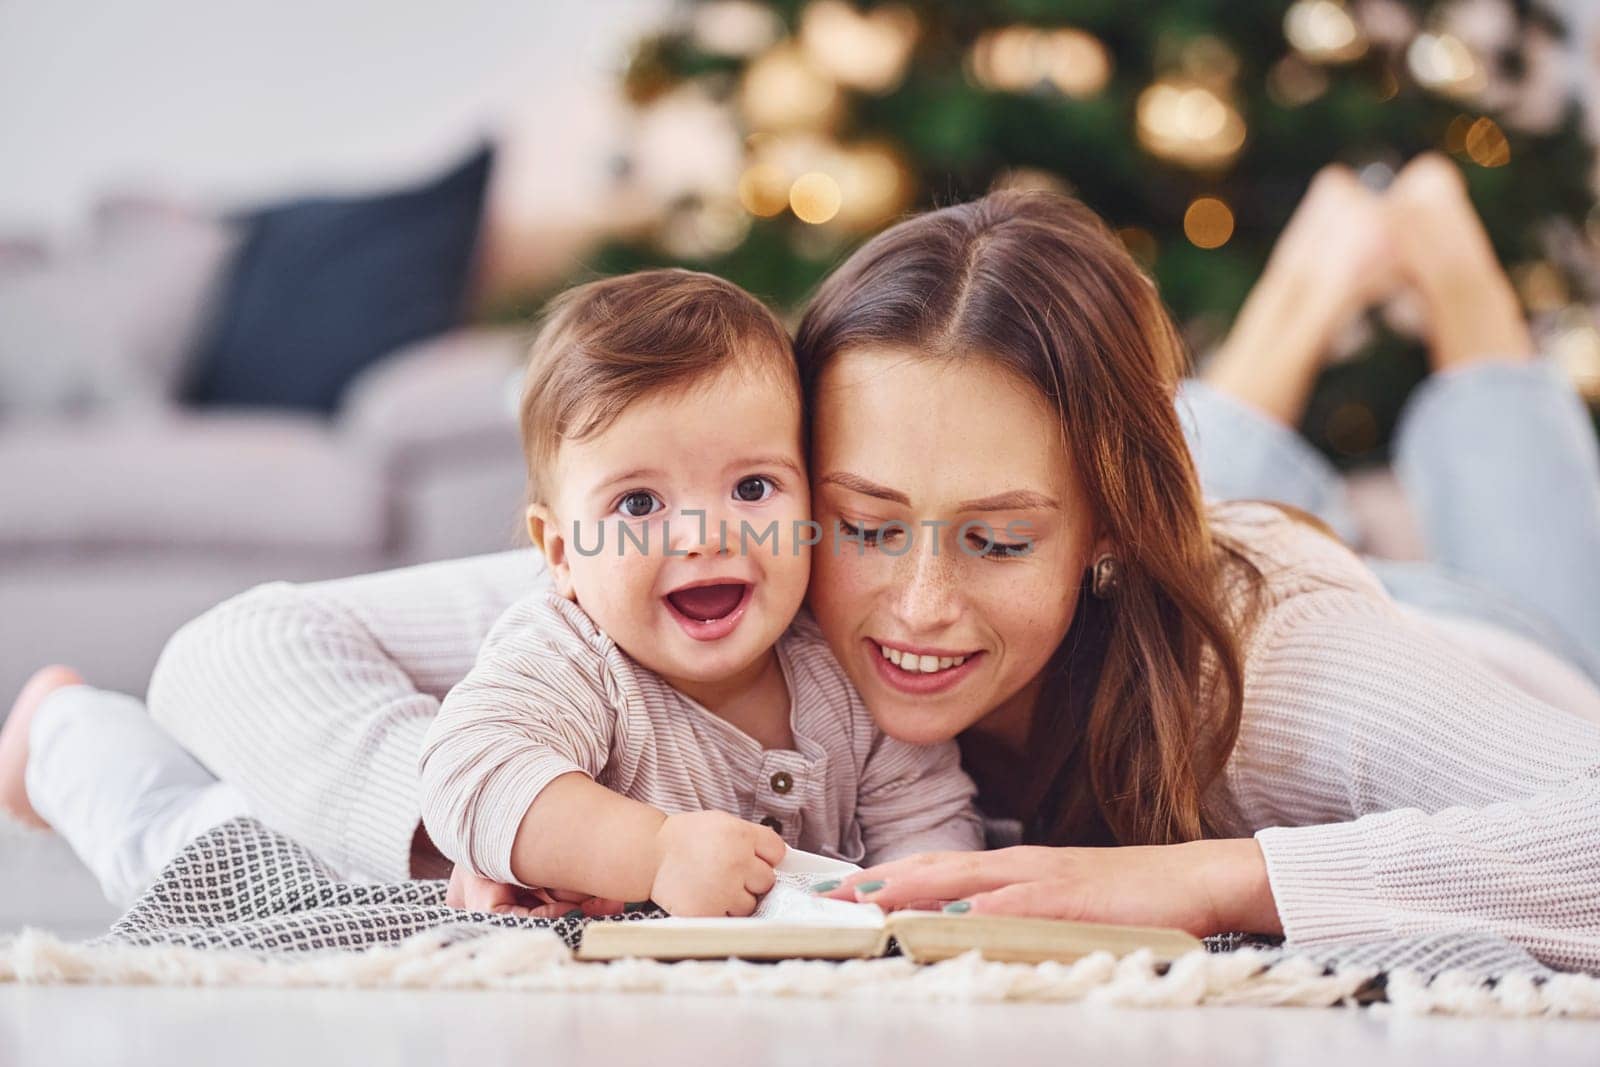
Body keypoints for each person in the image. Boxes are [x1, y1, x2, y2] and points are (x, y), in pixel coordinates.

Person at [3, 156, 1598, 967]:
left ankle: (1443, 282)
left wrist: (1192, 877)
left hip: (1469, 647)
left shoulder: (1282, 672)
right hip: (1137, 539)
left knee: (1516, 550)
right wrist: (521, 828)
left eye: (989, 537)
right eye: (860, 516)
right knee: (1144, 473)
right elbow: (234, 652)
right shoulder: (728, 566)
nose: (909, 603)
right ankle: (1289, 315)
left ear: (1099, 532)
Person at [418, 268, 979, 918]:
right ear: (562, 551)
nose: (703, 537)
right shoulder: (574, 661)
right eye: (639, 501)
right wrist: (653, 854)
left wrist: (929, 914)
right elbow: (468, 773)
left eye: (751, 488)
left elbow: (929, 823)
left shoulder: (844, 662)